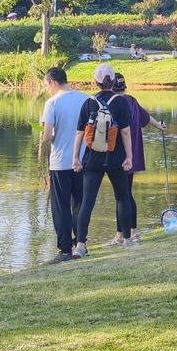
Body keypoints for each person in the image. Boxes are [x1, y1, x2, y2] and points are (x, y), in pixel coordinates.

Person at [71, 66, 134, 258]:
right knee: (122, 197)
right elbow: (125, 132)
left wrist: (75, 158)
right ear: (114, 81)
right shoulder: (121, 102)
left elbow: (80, 132)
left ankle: (80, 245)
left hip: (92, 159)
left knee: (87, 202)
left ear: (95, 82)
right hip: (116, 158)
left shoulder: (88, 102)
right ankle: (127, 240)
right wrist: (129, 157)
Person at [39, 65, 90, 263]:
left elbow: (47, 136)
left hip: (60, 161)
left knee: (61, 206)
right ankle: (80, 244)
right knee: (80, 203)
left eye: (47, 84)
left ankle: (65, 249)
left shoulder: (52, 103)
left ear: (52, 82)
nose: (47, 88)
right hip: (83, 160)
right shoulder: (86, 98)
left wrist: (47, 134)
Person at [110, 72, 165, 246]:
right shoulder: (132, 101)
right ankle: (131, 232)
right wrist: (159, 126)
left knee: (122, 195)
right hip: (132, 156)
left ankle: (122, 235)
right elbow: (146, 117)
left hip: (119, 156)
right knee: (126, 193)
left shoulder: (113, 103)